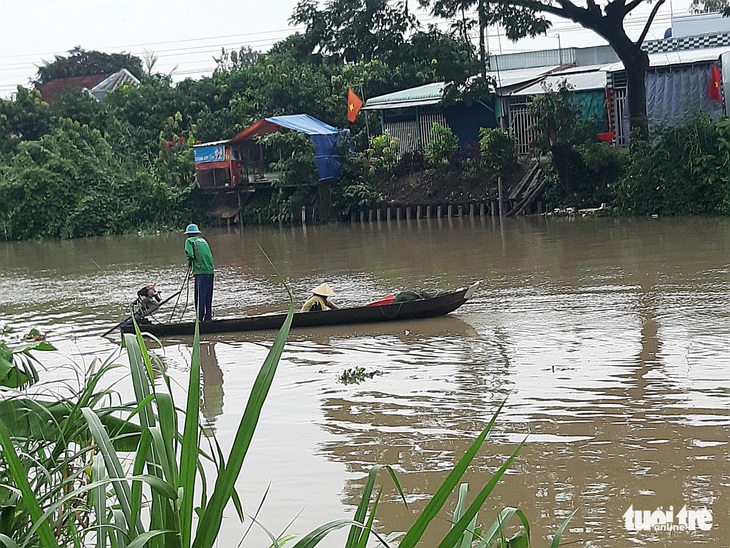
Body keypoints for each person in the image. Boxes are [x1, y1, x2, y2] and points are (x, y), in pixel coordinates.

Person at [184, 223, 214, 322]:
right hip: (210, 271)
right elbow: (204, 257)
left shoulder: (189, 241)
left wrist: (189, 264)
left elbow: (191, 255)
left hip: (200, 273)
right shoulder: (203, 241)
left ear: (189, 234)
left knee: (199, 296)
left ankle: (199, 319)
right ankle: (208, 317)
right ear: (197, 233)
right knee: (208, 296)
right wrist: (194, 273)